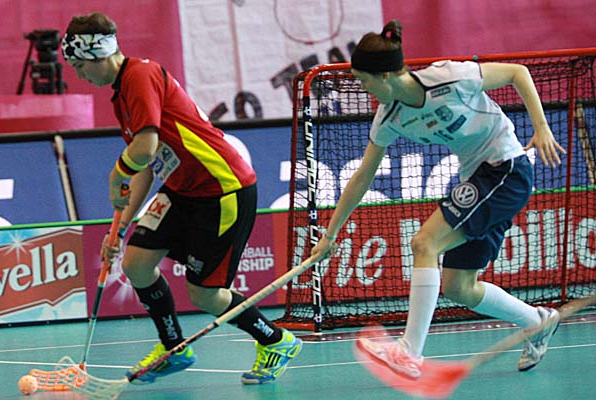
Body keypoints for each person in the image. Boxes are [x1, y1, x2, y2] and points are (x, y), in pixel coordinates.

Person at [311, 20, 566, 379]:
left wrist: (540, 127)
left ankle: (409, 352)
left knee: (424, 243)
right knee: (459, 288)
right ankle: (538, 322)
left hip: (506, 169)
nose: (363, 88)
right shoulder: (389, 117)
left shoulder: (450, 77)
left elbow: (516, 73)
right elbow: (362, 177)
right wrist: (330, 234)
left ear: (386, 76)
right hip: (477, 178)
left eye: (364, 80)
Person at [62, 12, 301, 385]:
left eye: (79, 66)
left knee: (205, 295)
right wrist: (120, 227)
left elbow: (144, 147)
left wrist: (115, 174)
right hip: (181, 189)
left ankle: (275, 340)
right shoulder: (121, 94)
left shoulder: (140, 75)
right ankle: (174, 348)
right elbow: (147, 164)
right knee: (136, 263)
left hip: (221, 189)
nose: (79, 75)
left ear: (97, 55)